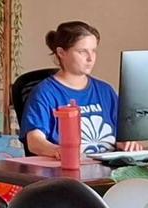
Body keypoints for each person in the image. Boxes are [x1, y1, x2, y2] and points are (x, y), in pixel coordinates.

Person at [18, 20, 120, 156]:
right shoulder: (44, 93)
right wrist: (58, 151)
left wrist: (127, 143)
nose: (90, 58)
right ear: (61, 52)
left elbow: (122, 133)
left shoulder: (106, 91)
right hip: (66, 170)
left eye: (93, 51)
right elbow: (34, 141)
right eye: (82, 51)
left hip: (109, 170)